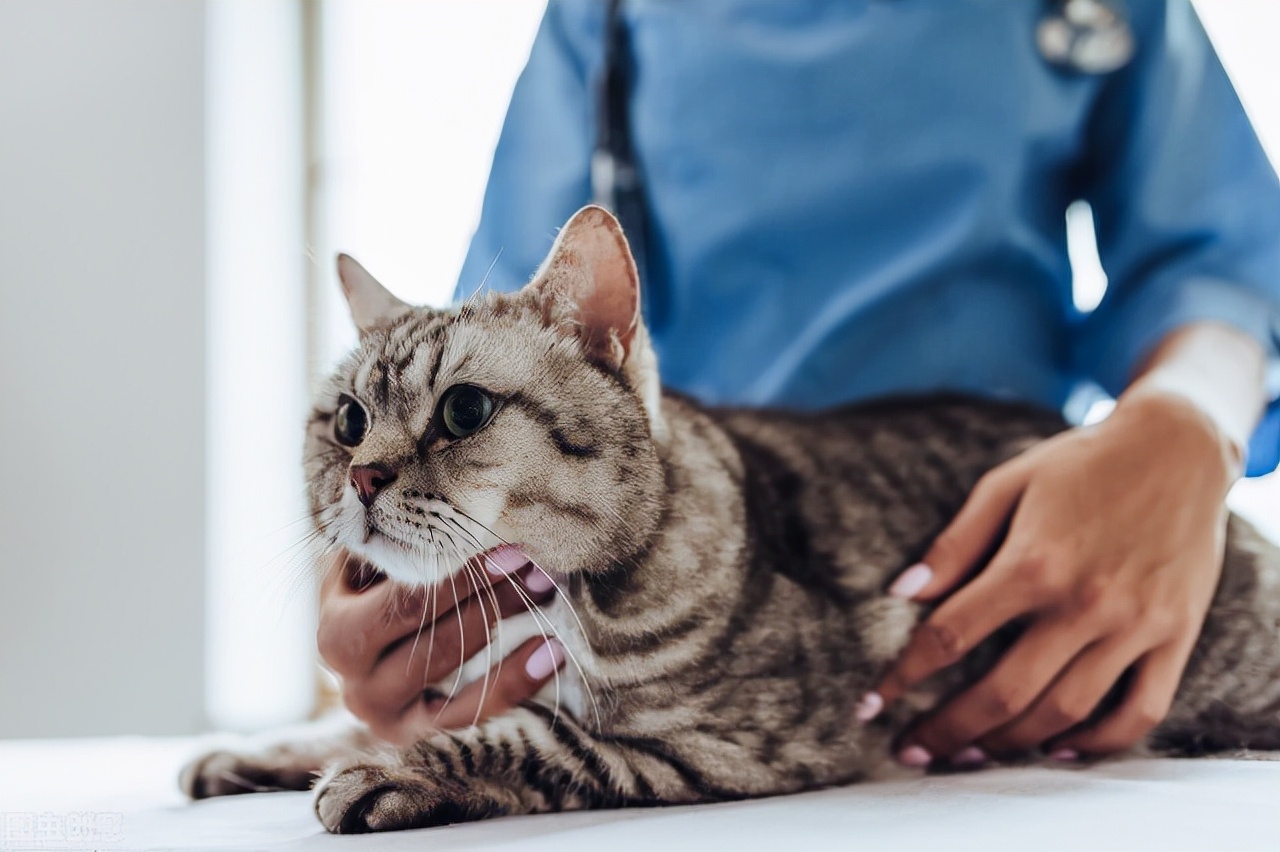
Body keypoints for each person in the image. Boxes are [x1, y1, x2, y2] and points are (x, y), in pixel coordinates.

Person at [318, 0, 1280, 765]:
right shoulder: (602, 14)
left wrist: (1187, 423)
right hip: (679, 571)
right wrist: (402, 587)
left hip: (1011, 560)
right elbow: (493, 345)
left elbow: (1221, 261)